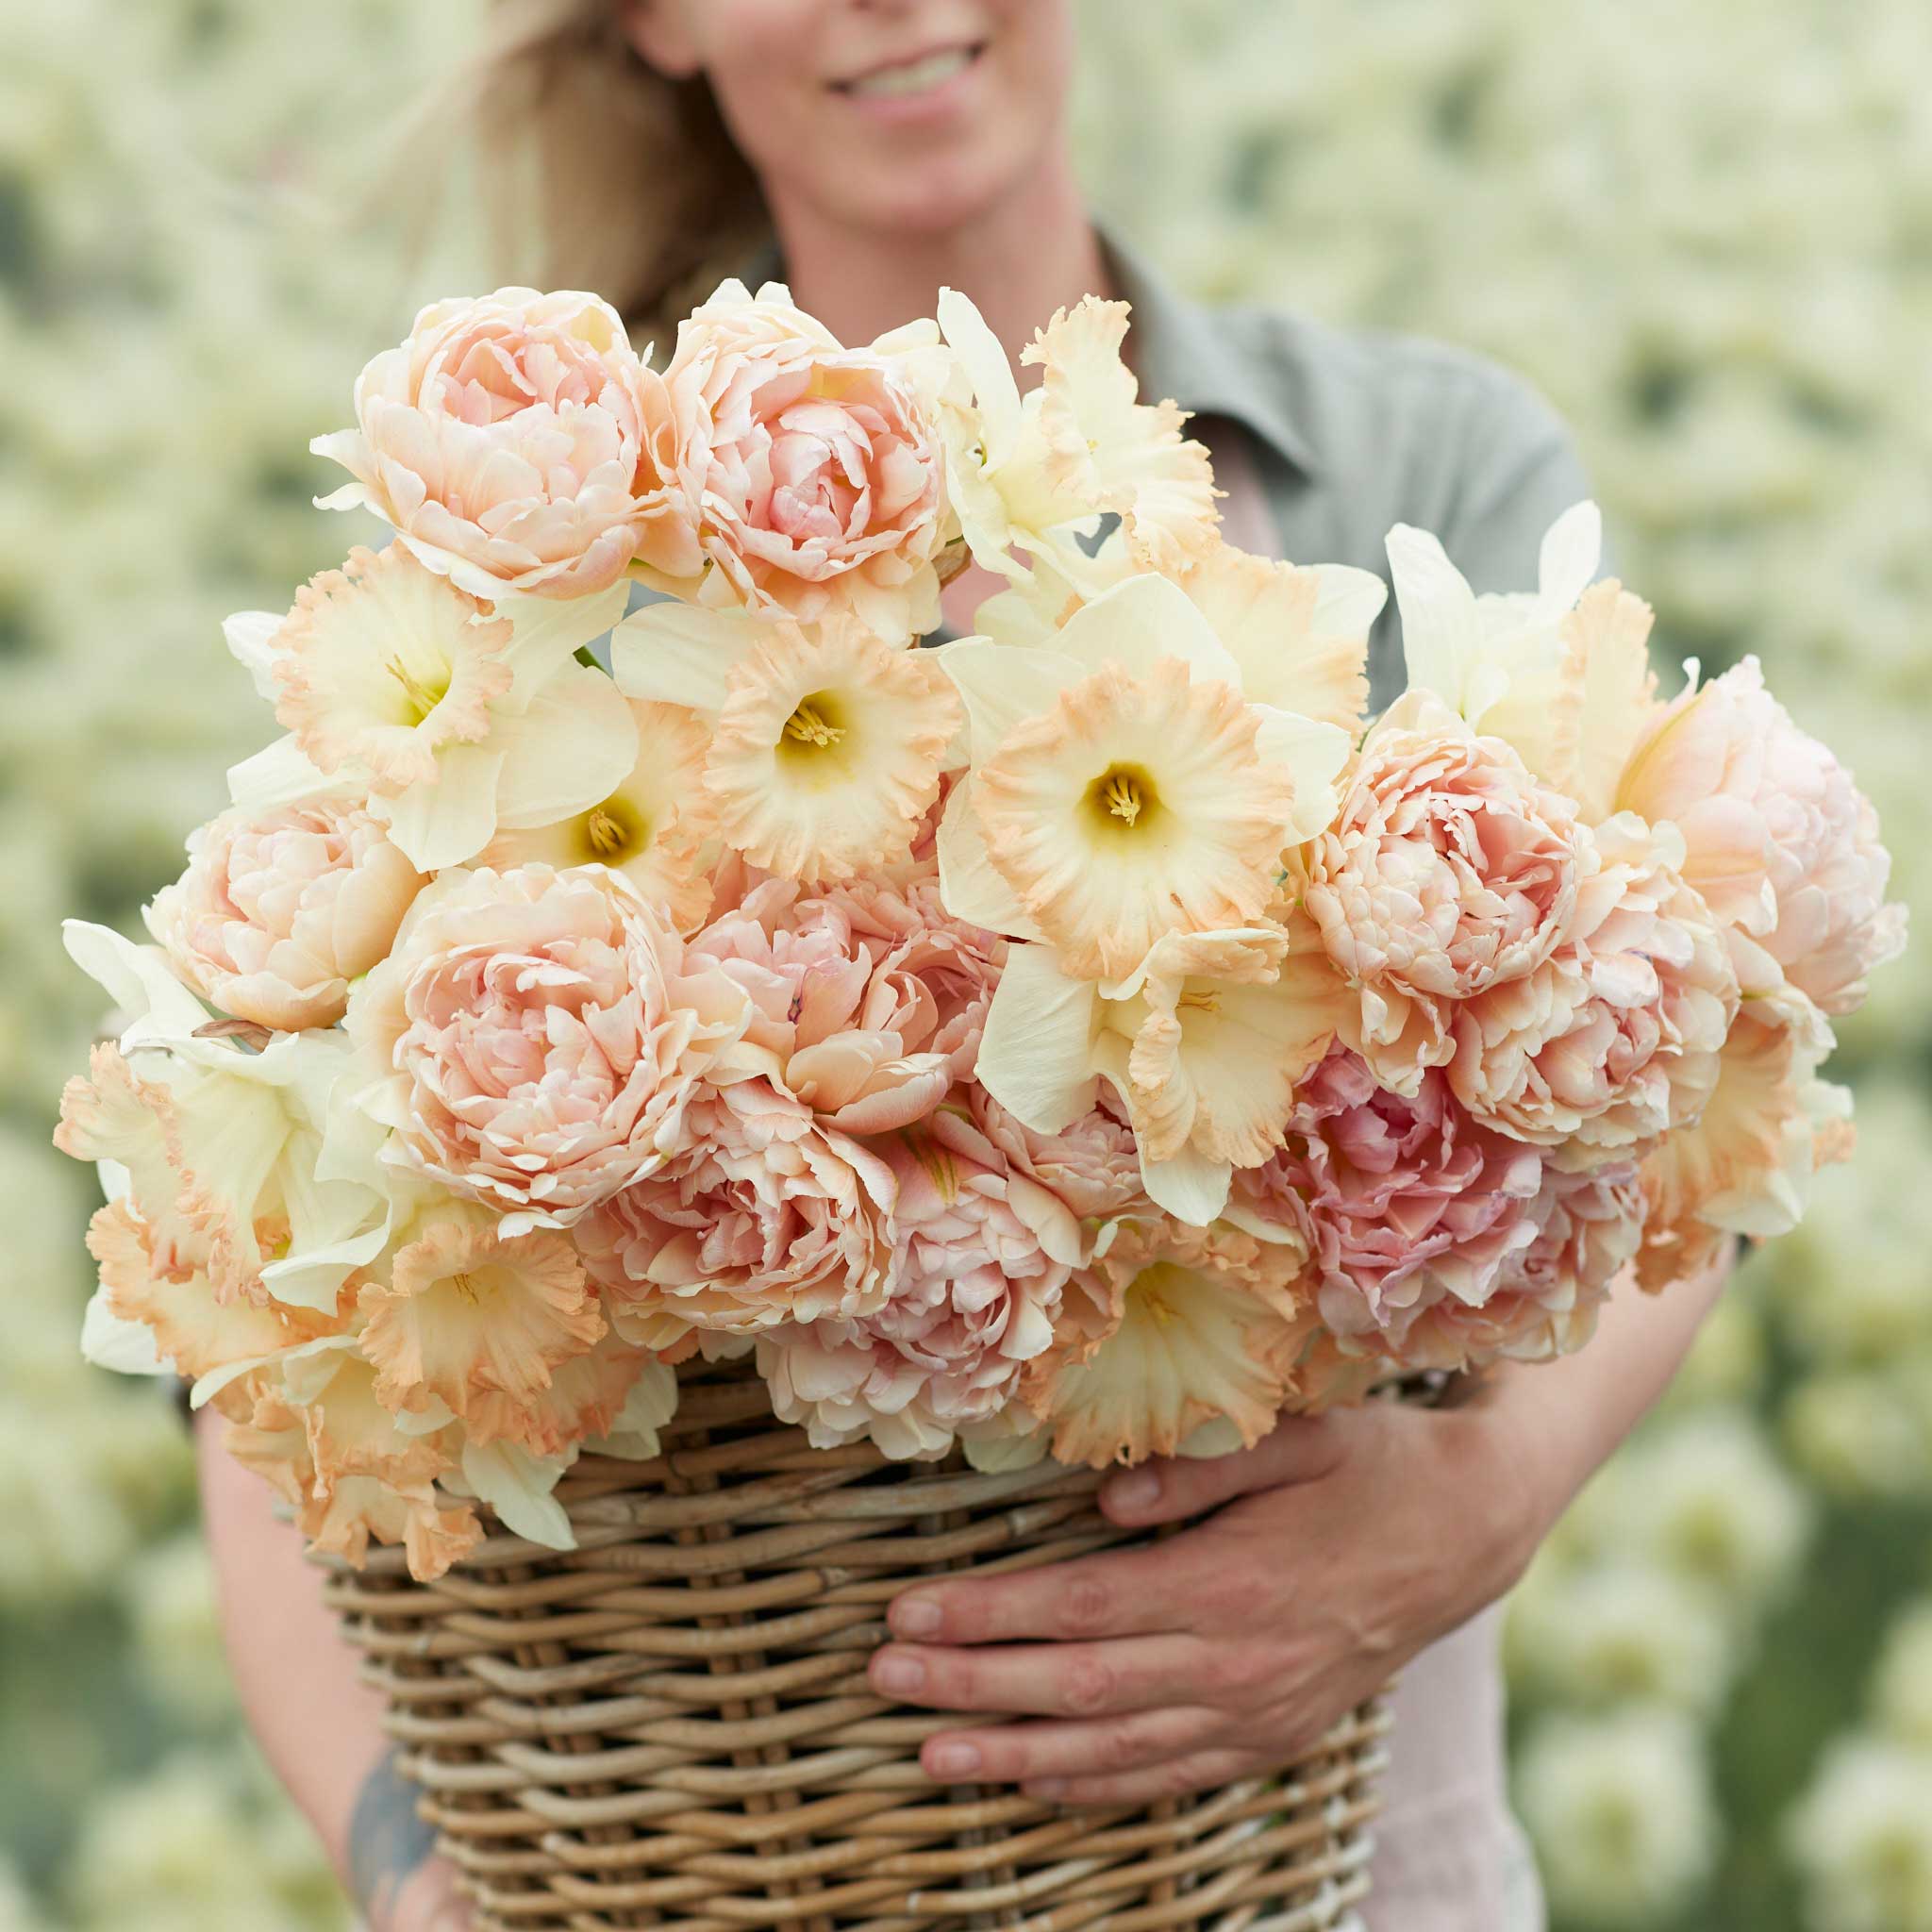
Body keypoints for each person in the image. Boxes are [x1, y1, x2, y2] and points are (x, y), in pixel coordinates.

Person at [198, 5, 1738, 1928]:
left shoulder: (1407, 462)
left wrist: (1476, 1502)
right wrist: (412, 1872)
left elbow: (1678, 1108)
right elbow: (269, 1346)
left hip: (1338, 1870)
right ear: (656, 25)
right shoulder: (542, 560)